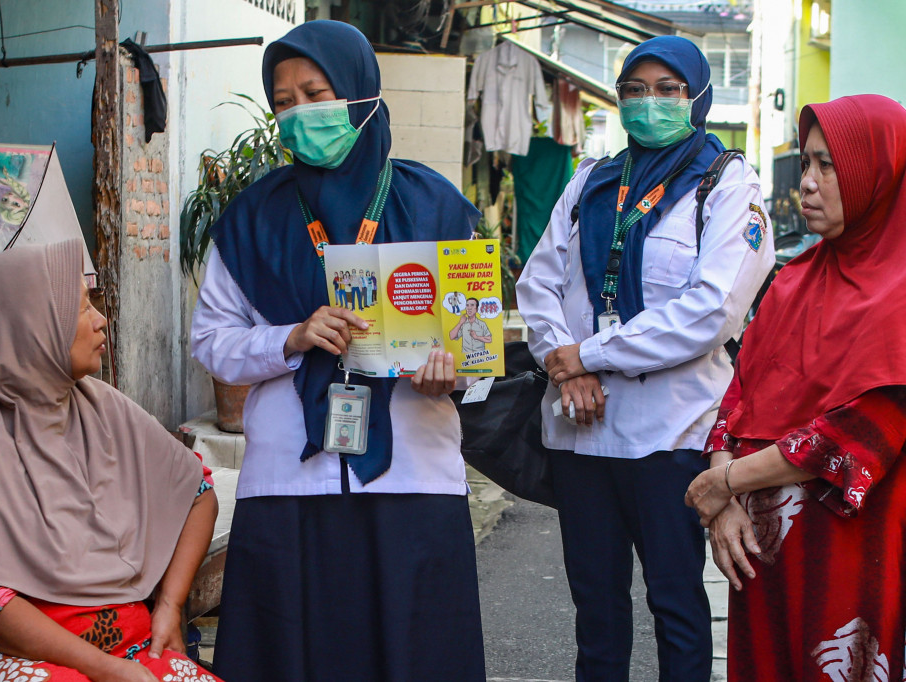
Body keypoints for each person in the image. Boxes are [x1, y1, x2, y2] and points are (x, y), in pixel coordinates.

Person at [190, 20, 485, 682]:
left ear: (360, 95)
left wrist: (452, 373)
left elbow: (472, 338)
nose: (300, 114)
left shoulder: (434, 206)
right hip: (290, 485)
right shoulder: (250, 219)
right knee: (296, 655)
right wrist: (288, 339)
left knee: (415, 654)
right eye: (284, 102)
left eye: (315, 93)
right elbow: (210, 340)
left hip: (412, 477)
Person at [516, 36, 775, 681]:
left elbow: (710, 309)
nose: (648, 103)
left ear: (698, 98)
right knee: (595, 613)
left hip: (672, 435)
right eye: (634, 90)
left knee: (677, 607)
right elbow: (537, 285)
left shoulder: (726, 185)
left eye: (668, 90)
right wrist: (560, 361)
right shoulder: (589, 182)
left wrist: (589, 356)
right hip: (581, 434)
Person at [0, 240, 221, 682]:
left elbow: (198, 494)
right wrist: (105, 669)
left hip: (121, 643)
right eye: (81, 308)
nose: (100, 320)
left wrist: (168, 606)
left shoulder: (101, 406)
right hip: (7, 651)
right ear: (33, 326)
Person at [685, 94, 906, 681]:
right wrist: (726, 505)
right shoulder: (794, 282)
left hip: (852, 550)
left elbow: (860, 432)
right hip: (760, 549)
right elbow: (739, 396)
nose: (807, 184)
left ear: (876, 175)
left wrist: (724, 482)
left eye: (826, 166)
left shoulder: (901, 290)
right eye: (805, 164)